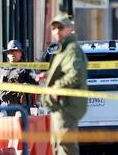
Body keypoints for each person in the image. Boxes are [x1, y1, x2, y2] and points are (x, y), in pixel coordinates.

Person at [36, 15, 88, 155]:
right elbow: (66, 71)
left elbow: (75, 74)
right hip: (59, 106)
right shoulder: (62, 49)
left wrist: (57, 86)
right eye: (54, 28)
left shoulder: (72, 49)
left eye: (61, 27)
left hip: (66, 106)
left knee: (65, 145)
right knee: (58, 145)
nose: (57, 31)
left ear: (70, 29)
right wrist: (48, 75)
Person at [0, 40, 36, 116]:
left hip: (21, 107)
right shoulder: (2, 69)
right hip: (4, 106)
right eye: (10, 51)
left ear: (20, 53)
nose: (13, 53)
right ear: (7, 54)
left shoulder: (26, 69)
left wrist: (21, 86)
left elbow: (35, 85)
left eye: (15, 51)